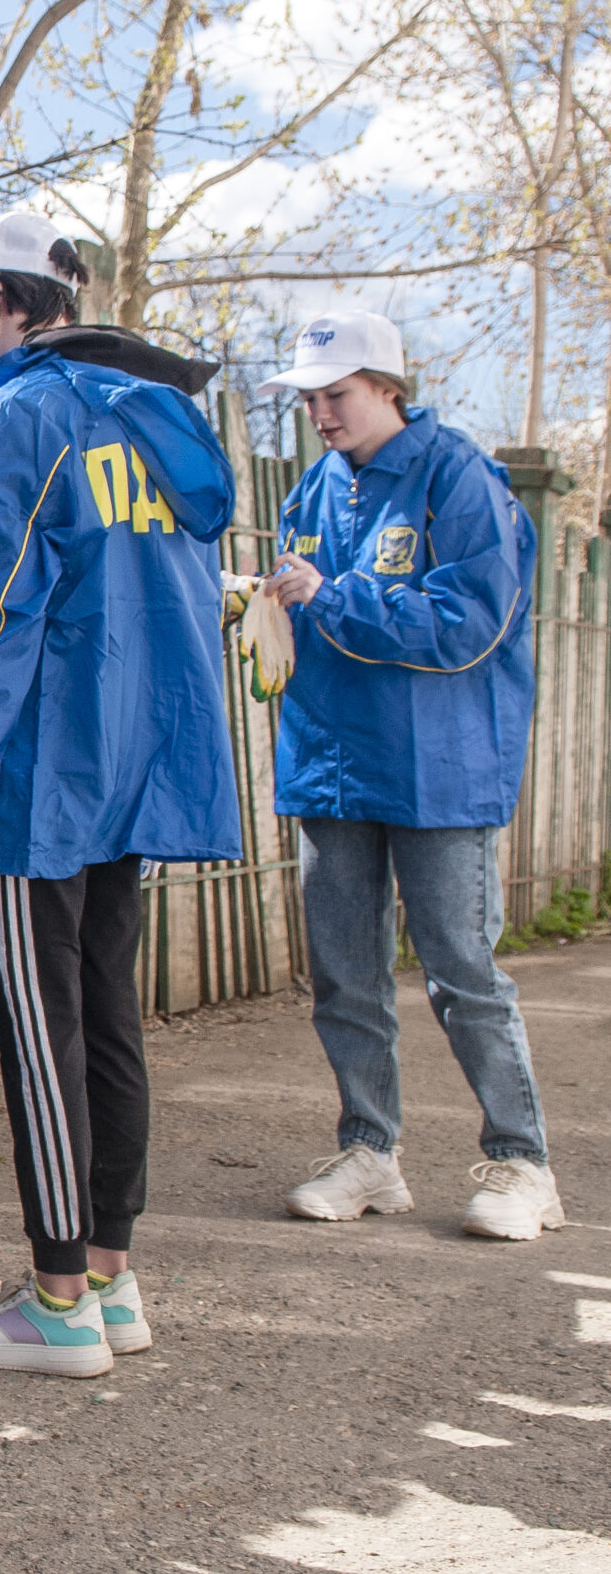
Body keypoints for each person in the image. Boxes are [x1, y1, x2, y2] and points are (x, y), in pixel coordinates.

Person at [0, 211, 242, 1377]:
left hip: (43, 772)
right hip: (135, 763)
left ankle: (53, 1309)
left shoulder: (22, 412)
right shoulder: (155, 420)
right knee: (103, 1021)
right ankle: (106, 1276)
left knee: (40, 1037)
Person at [256, 313, 557, 1240]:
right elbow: (305, 623)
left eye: (335, 393)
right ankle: (369, 1152)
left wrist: (332, 597)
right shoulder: (311, 490)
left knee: (461, 971)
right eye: (307, 397)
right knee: (345, 976)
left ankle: (522, 1164)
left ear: (388, 385)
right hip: (331, 765)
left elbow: (472, 619)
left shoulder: (459, 477)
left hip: (439, 771)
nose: (318, 411)